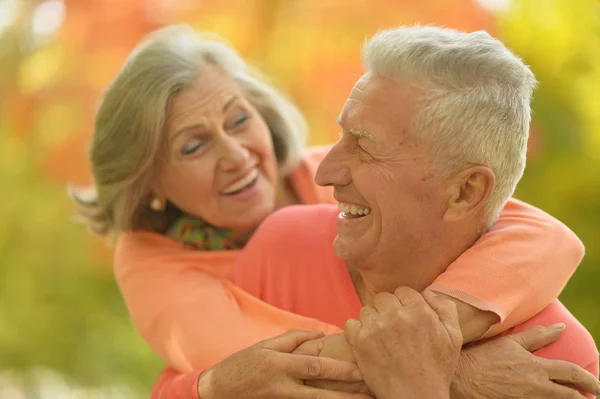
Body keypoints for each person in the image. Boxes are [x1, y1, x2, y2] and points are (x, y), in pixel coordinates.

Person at [70, 25, 592, 398]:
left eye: (237, 120)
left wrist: (430, 330)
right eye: (192, 147)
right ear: (150, 181)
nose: (236, 156)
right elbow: (257, 375)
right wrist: (455, 372)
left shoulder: (332, 173)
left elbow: (545, 234)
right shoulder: (163, 263)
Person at [230, 26, 600, 397]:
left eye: (366, 147)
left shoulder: (556, 366)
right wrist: (455, 376)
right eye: (343, 137)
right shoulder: (282, 248)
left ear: (465, 192)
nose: (325, 173)